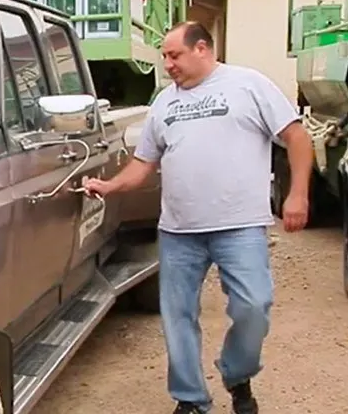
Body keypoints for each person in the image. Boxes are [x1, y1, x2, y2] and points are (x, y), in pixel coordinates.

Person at [81, 21, 313, 414]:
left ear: (202, 48)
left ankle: (237, 374)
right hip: (179, 231)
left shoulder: (247, 85)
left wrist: (298, 195)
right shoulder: (164, 103)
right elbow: (143, 164)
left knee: (253, 307)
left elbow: (297, 137)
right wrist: (109, 186)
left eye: (174, 55)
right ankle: (191, 401)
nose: (167, 64)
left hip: (239, 227)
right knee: (178, 319)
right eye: (165, 56)